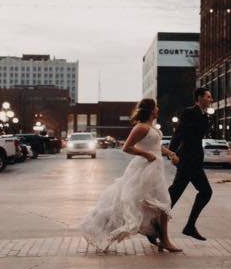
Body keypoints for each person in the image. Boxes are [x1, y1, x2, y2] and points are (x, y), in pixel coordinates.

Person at [81, 98, 182, 253]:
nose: (158, 109)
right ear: (150, 110)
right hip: (144, 169)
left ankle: (156, 234)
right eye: (156, 107)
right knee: (161, 203)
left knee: (157, 204)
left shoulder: (151, 127)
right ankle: (164, 240)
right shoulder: (140, 127)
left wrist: (170, 153)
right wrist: (146, 155)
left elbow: (156, 146)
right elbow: (127, 147)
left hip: (156, 169)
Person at [167, 87, 214, 241]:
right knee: (203, 192)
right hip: (187, 159)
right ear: (199, 98)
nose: (211, 99)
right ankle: (156, 225)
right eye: (208, 97)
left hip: (193, 160)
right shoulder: (189, 112)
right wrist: (171, 152)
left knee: (174, 193)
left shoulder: (204, 115)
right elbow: (179, 132)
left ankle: (157, 226)